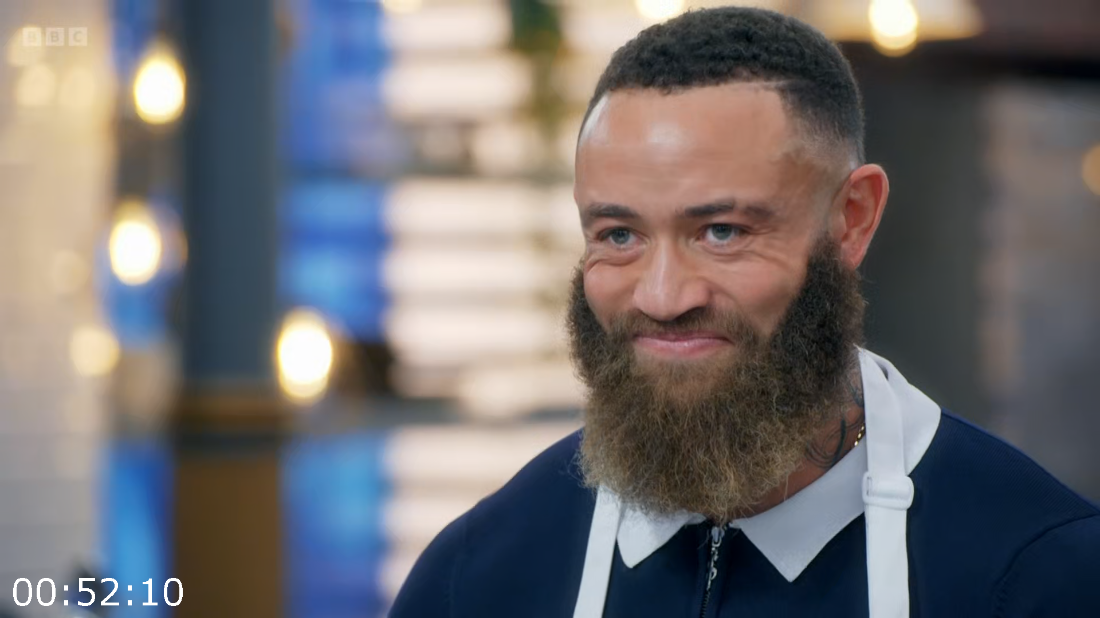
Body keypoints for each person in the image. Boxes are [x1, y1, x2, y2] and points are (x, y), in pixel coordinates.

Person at [389, 7, 1100, 617]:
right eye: (619, 236)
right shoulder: (478, 578)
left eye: (722, 231)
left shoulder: (1037, 574)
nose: (663, 297)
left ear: (853, 218)